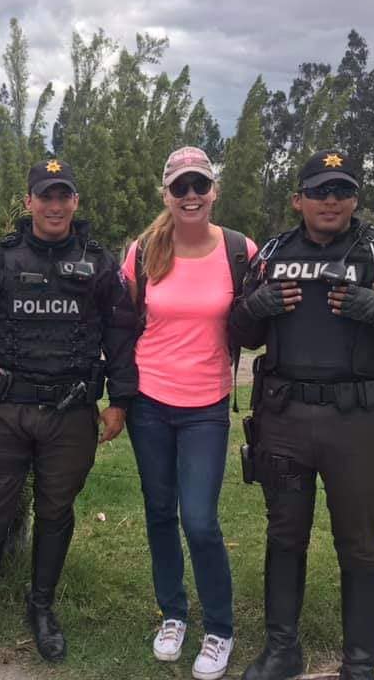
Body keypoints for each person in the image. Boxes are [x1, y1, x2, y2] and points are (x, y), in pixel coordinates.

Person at [229, 150, 374, 680]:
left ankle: (360, 665)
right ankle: (282, 652)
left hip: (358, 424)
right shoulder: (272, 254)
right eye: (320, 191)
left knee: (360, 542)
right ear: (297, 199)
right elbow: (237, 330)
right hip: (283, 419)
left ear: (355, 198)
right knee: (284, 535)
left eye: (342, 191)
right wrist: (258, 306)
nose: (331, 201)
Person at [0, 158, 139, 663]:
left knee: (55, 510)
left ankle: (42, 607)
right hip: (6, 408)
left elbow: (119, 334)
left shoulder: (98, 263)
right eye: (44, 196)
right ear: (28, 202)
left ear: (75, 202)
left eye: (63, 195)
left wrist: (120, 400)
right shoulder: (1, 261)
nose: (54, 205)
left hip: (71, 411)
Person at [122, 146, 257, 680]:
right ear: (167, 195)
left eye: (199, 184)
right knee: (159, 513)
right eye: (180, 187)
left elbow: (262, 317)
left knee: (199, 520)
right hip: (150, 402)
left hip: (206, 404)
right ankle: (173, 613)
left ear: (214, 191)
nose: (191, 195)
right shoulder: (142, 251)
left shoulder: (240, 251)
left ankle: (219, 628)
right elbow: (119, 319)